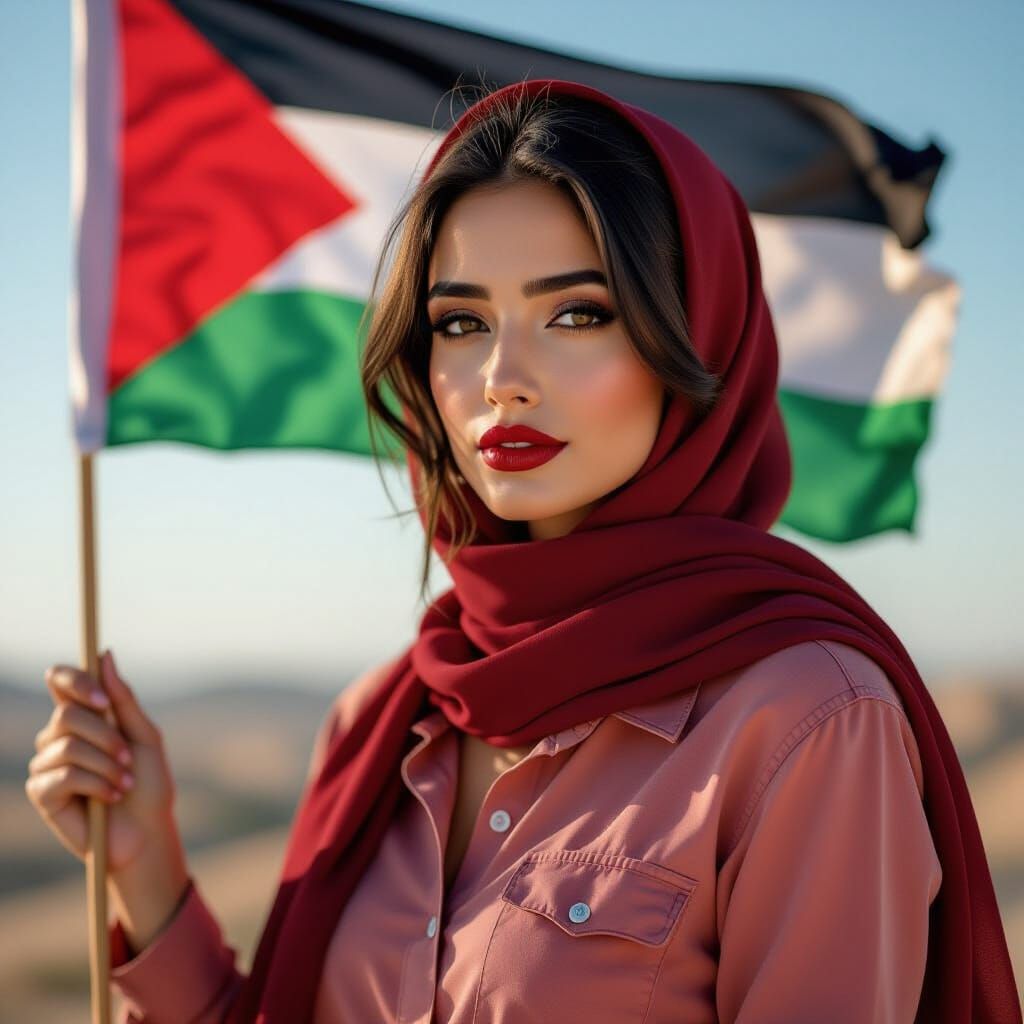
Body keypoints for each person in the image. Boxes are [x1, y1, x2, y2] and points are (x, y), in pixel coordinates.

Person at [25, 78, 1020, 1024]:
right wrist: (144, 860)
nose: (501, 377)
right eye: (459, 322)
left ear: (697, 340)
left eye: (577, 313)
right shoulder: (384, 718)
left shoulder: (809, 718)